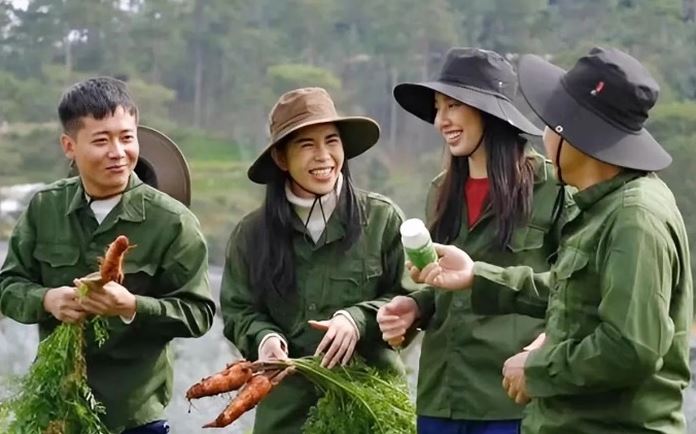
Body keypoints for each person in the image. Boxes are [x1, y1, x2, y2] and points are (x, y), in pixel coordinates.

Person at [409, 47, 692, 434]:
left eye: (551, 126)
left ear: (576, 134)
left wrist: (537, 368)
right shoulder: (605, 209)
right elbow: (566, 293)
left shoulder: (634, 218)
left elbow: (631, 348)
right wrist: (477, 276)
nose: (542, 137)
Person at [0, 77, 215, 434]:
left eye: (126, 137)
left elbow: (199, 313)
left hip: (134, 416)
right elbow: (8, 285)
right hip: (55, 409)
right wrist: (47, 300)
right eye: (101, 140)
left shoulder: (172, 222)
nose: (118, 152)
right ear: (69, 146)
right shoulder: (44, 208)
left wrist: (132, 306)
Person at [377, 47, 567, 434]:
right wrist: (415, 307)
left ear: (488, 111)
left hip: (512, 401)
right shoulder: (441, 191)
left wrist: (542, 350)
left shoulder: (553, 188)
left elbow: (576, 289)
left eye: (453, 106)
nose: (440, 121)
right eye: (437, 108)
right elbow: (445, 287)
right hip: (442, 399)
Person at [220, 87, 409, 434]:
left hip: (372, 414)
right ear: (281, 158)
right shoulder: (251, 235)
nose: (323, 156)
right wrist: (264, 338)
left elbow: (412, 298)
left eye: (331, 141)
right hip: (286, 418)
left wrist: (357, 320)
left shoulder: (383, 220)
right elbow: (238, 311)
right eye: (307, 145)